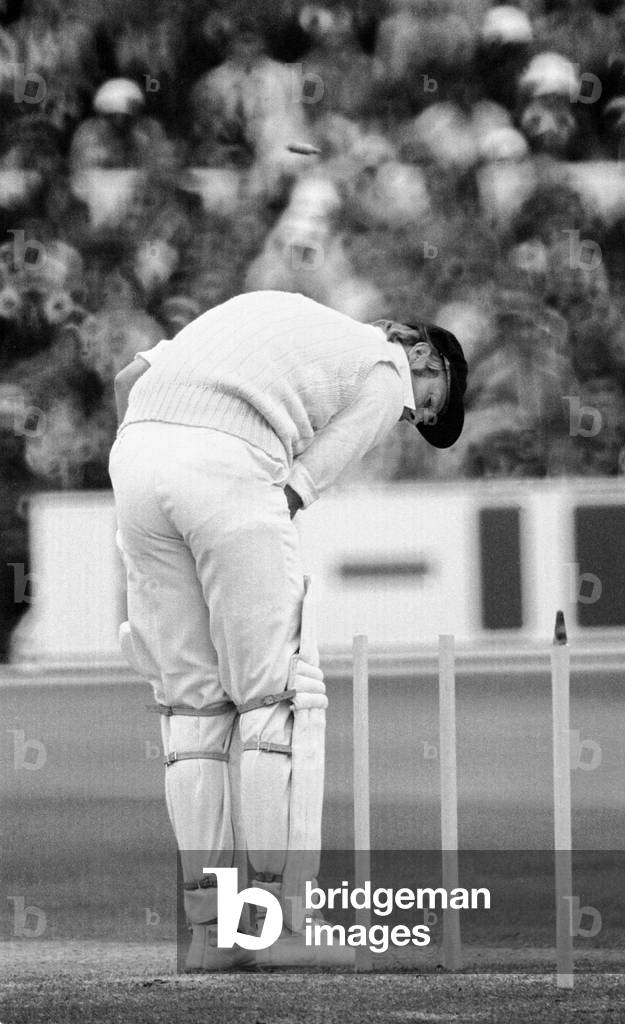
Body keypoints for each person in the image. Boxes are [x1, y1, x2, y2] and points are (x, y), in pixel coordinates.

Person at [108, 289, 467, 970]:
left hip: (136, 459)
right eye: (428, 401)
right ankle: (275, 924)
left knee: (191, 708)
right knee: (278, 700)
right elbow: (317, 468)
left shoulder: (273, 308)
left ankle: (210, 932)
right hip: (228, 470)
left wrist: (141, 467)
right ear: (419, 348)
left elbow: (131, 377)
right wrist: (269, 504)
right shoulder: (385, 361)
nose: (412, 414)